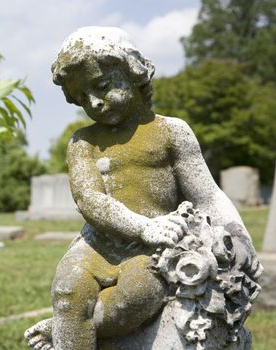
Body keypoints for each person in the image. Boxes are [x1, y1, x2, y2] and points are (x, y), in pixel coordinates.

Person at [25, 27, 262, 350]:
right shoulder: (84, 142)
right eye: (81, 97)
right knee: (68, 291)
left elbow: (207, 195)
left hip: (152, 248)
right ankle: (70, 322)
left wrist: (239, 237)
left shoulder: (171, 132)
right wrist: (142, 226)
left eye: (102, 86)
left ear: (133, 72)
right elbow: (89, 200)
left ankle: (67, 327)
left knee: (133, 300)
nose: (93, 101)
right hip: (97, 244)